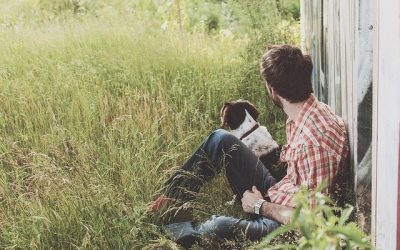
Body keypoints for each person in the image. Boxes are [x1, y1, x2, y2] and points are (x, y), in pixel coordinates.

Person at [149, 45, 349, 246]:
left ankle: (170, 234)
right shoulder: (307, 112)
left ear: (272, 90)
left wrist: (260, 206)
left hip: (285, 224)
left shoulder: (313, 142)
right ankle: (170, 199)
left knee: (217, 227)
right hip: (284, 196)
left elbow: (311, 223)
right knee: (221, 139)